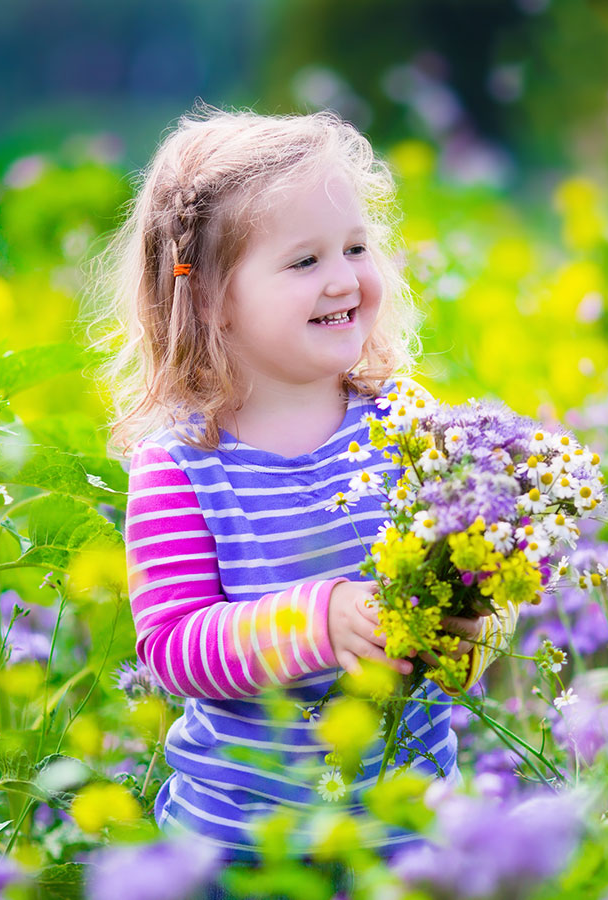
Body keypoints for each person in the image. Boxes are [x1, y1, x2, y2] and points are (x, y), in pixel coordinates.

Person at [95, 105, 517, 871]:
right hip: (244, 851)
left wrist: (471, 624)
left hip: (409, 839)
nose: (345, 278)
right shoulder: (184, 466)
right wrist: (317, 623)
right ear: (212, 299)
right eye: (304, 262)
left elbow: (465, 577)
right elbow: (172, 648)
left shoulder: (408, 423)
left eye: (356, 247)